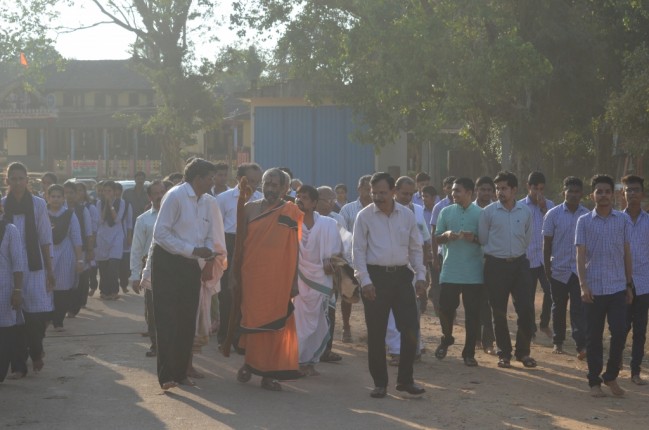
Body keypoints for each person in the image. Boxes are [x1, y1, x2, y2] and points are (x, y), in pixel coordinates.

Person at [353, 172, 427, 398]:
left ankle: (405, 380)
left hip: (402, 277)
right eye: (374, 193)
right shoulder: (364, 217)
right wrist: (365, 281)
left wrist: (421, 275)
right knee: (376, 334)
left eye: (382, 193)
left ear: (393, 192)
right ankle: (380, 383)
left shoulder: (406, 215)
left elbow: (415, 248)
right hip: (375, 279)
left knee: (410, 330)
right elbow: (357, 252)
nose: (377, 197)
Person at [150, 158, 220, 390]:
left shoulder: (207, 201)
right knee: (167, 320)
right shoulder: (176, 195)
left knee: (187, 321)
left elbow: (208, 233)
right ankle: (166, 376)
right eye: (210, 177)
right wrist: (191, 250)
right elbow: (160, 233)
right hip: (168, 262)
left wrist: (207, 252)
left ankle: (181, 373)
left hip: (191, 264)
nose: (214, 181)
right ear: (198, 178)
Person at [234, 167, 303, 391]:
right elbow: (239, 246)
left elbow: (294, 249)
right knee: (252, 322)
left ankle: (269, 374)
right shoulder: (248, 209)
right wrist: (233, 275)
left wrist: (293, 281)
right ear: (261, 185)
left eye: (276, 185)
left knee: (276, 326)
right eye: (267, 184)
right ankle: (250, 364)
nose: (271, 189)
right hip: (252, 277)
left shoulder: (291, 211)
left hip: (279, 279)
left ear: (285, 188)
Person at [576, 174, 633, 397]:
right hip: (594, 289)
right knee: (593, 336)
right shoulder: (584, 221)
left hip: (618, 287)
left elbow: (627, 253)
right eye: (599, 191)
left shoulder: (622, 221)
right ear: (593, 195)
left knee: (619, 332)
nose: (603, 195)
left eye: (607, 191)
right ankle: (594, 381)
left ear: (614, 195)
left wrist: (629, 284)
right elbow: (579, 255)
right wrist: (583, 285)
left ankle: (610, 377)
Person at [478, 171, 536, 369]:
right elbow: (483, 239)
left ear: (514, 190)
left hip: (519, 264)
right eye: (498, 188)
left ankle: (523, 352)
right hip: (495, 265)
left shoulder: (525, 212)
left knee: (526, 310)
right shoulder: (489, 212)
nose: (500, 192)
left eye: (504, 188)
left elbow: (526, 239)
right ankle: (504, 354)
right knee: (499, 312)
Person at [2, 162, 55, 377]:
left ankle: (36, 351)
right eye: (13, 178)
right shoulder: (3, 205)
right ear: (7, 181)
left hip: (34, 266)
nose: (17, 182)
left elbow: (45, 237)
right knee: (14, 318)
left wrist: (50, 269)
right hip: (9, 267)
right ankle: (19, 365)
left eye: (20, 178)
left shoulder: (38, 204)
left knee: (35, 317)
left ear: (27, 180)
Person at [434, 177, 483, 366]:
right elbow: (437, 238)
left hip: (473, 273)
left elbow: (487, 240)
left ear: (470, 192)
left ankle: (469, 353)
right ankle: (446, 338)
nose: (453, 194)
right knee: (445, 310)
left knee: (472, 315)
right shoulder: (445, 212)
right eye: (453, 191)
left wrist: (475, 238)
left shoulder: (481, 214)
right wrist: (446, 236)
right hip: (450, 271)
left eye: (458, 191)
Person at [293, 185, 342, 376]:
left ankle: (311, 362)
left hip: (321, 280)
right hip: (298, 281)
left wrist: (331, 261)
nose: (300, 200)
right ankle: (297, 361)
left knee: (319, 323)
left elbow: (338, 251)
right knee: (298, 322)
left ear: (314, 203)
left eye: (304, 198)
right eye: (298, 197)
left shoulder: (329, 224)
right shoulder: (291, 222)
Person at [215, 163, 263, 347]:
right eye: (250, 180)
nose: (254, 185)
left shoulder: (261, 200)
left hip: (252, 247)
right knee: (228, 294)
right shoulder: (223, 199)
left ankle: (242, 337)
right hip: (228, 244)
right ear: (239, 179)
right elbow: (215, 228)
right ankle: (225, 336)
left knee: (248, 293)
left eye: (257, 181)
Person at [385, 176, 430, 366]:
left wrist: (424, 269)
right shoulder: (385, 211)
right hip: (391, 267)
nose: (408, 197)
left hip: (414, 266)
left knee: (413, 311)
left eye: (411, 194)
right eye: (404, 193)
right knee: (392, 313)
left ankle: (415, 348)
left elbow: (425, 240)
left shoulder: (417, 211)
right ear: (395, 191)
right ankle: (396, 351)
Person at [542, 177, 588, 357]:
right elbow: (546, 243)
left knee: (579, 308)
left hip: (578, 270)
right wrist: (547, 267)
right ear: (564, 193)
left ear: (582, 194)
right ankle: (558, 341)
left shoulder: (586, 215)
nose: (574, 195)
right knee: (558, 306)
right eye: (570, 191)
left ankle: (581, 345)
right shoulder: (553, 214)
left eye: (577, 192)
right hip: (558, 269)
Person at [130, 180, 166, 357]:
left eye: (162, 192)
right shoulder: (143, 220)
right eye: (156, 193)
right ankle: (156, 344)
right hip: (150, 269)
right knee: (152, 310)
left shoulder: (175, 215)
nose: (160, 196)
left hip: (173, 269)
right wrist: (135, 275)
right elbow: (136, 249)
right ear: (150, 196)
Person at [315, 186, 350, 363]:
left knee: (329, 311)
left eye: (333, 200)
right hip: (309, 274)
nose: (331, 204)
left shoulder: (338, 219)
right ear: (316, 200)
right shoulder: (305, 218)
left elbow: (344, 247)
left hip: (330, 274)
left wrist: (334, 263)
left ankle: (326, 350)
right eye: (327, 200)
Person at [620, 175, 649, 385]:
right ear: (623, 193)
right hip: (620, 284)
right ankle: (615, 365)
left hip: (645, 283)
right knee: (620, 328)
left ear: (643, 194)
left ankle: (635, 371)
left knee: (640, 329)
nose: (632, 193)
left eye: (635, 189)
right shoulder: (616, 220)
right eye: (628, 190)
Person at [338, 174, 372, 342]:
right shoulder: (347, 210)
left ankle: (371, 329)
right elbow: (342, 234)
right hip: (349, 260)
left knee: (370, 296)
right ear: (359, 189)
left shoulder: (378, 209)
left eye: (372, 189)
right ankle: (346, 327)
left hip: (371, 260)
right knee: (347, 296)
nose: (370, 192)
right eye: (367, 189)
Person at [520, 172, 554, 338]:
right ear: (528, 187)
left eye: (541, 189)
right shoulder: (519, 206)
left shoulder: (550, 205)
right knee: (528, 295)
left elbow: (555, 226)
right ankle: (531, 327)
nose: (538, 192)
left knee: (550, 291)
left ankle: (544, 322)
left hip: (545, 258)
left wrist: (543, 208)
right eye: (535, 188)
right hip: (527, 258)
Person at [46, 185, 83, 331]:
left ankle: (58, 321)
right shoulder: (42, 213)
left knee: (62, 289)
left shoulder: (69, 214)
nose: (55, 199)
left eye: (58, 196)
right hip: (46, 253)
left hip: (65, 255)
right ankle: (48, 316)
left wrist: (79, 260)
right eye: (53, 196)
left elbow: (76, 237)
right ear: (47, 197)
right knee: (47, 288)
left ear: (63, 198)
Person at [0, 201, 25, 383]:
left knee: (5, 331)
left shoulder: (10, 229)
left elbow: (18, 263)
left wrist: (17, 290)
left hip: (4, 287)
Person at [64, 181, 93, 318]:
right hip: (61, 250)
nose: (68, 196)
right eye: (66, 192)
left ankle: (74, 307)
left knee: (77, 280)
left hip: (79, 250)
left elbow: (88, 232)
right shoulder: (56, 209)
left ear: (77, 194)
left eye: (71, 193)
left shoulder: (82, 210)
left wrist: (90, 250)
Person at [473, 176, 496, 354]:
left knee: (489, 302)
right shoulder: (469, 210)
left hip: (492, 262)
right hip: (471, 262)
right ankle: (475, 338)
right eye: (483, 189)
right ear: (476, 190)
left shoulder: (497, 210)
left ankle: (489, 341)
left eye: (489, 190)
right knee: (474, 301)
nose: (486, 193)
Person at [429, 176, 456, 316]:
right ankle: (439, 310)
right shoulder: (439, 207)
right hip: (441, 252)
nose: (452, 190)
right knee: (438, 284)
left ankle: (451, 311)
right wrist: (434, 257)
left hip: (457, 254)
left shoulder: (465, 205)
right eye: (449, 187)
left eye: (455, 187)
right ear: (444, 188)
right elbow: (434, 233)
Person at [95, 181, 126, 300]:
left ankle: (114, 290)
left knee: (113, 265)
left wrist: (110, 205)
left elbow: (117, 219)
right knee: (103, 266)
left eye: (109, 191)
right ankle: (104, 290)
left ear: (114, 192)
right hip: (103, 236)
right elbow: (101, 220)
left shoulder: (121, 202)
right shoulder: (99, 203)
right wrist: (105, 204)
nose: (106, 193)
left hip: (116, 236)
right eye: (104, 191)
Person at [114, 183, 133, 294]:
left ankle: (124, 284)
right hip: (111, 239)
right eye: (114, 190)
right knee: (113, 265)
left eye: (118, 191)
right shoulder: (105, 204)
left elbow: (129, 222)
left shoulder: (126, 205)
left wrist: (129, 236)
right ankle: (114, 287)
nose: (116, 193)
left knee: (124, 265)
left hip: (124, 237)